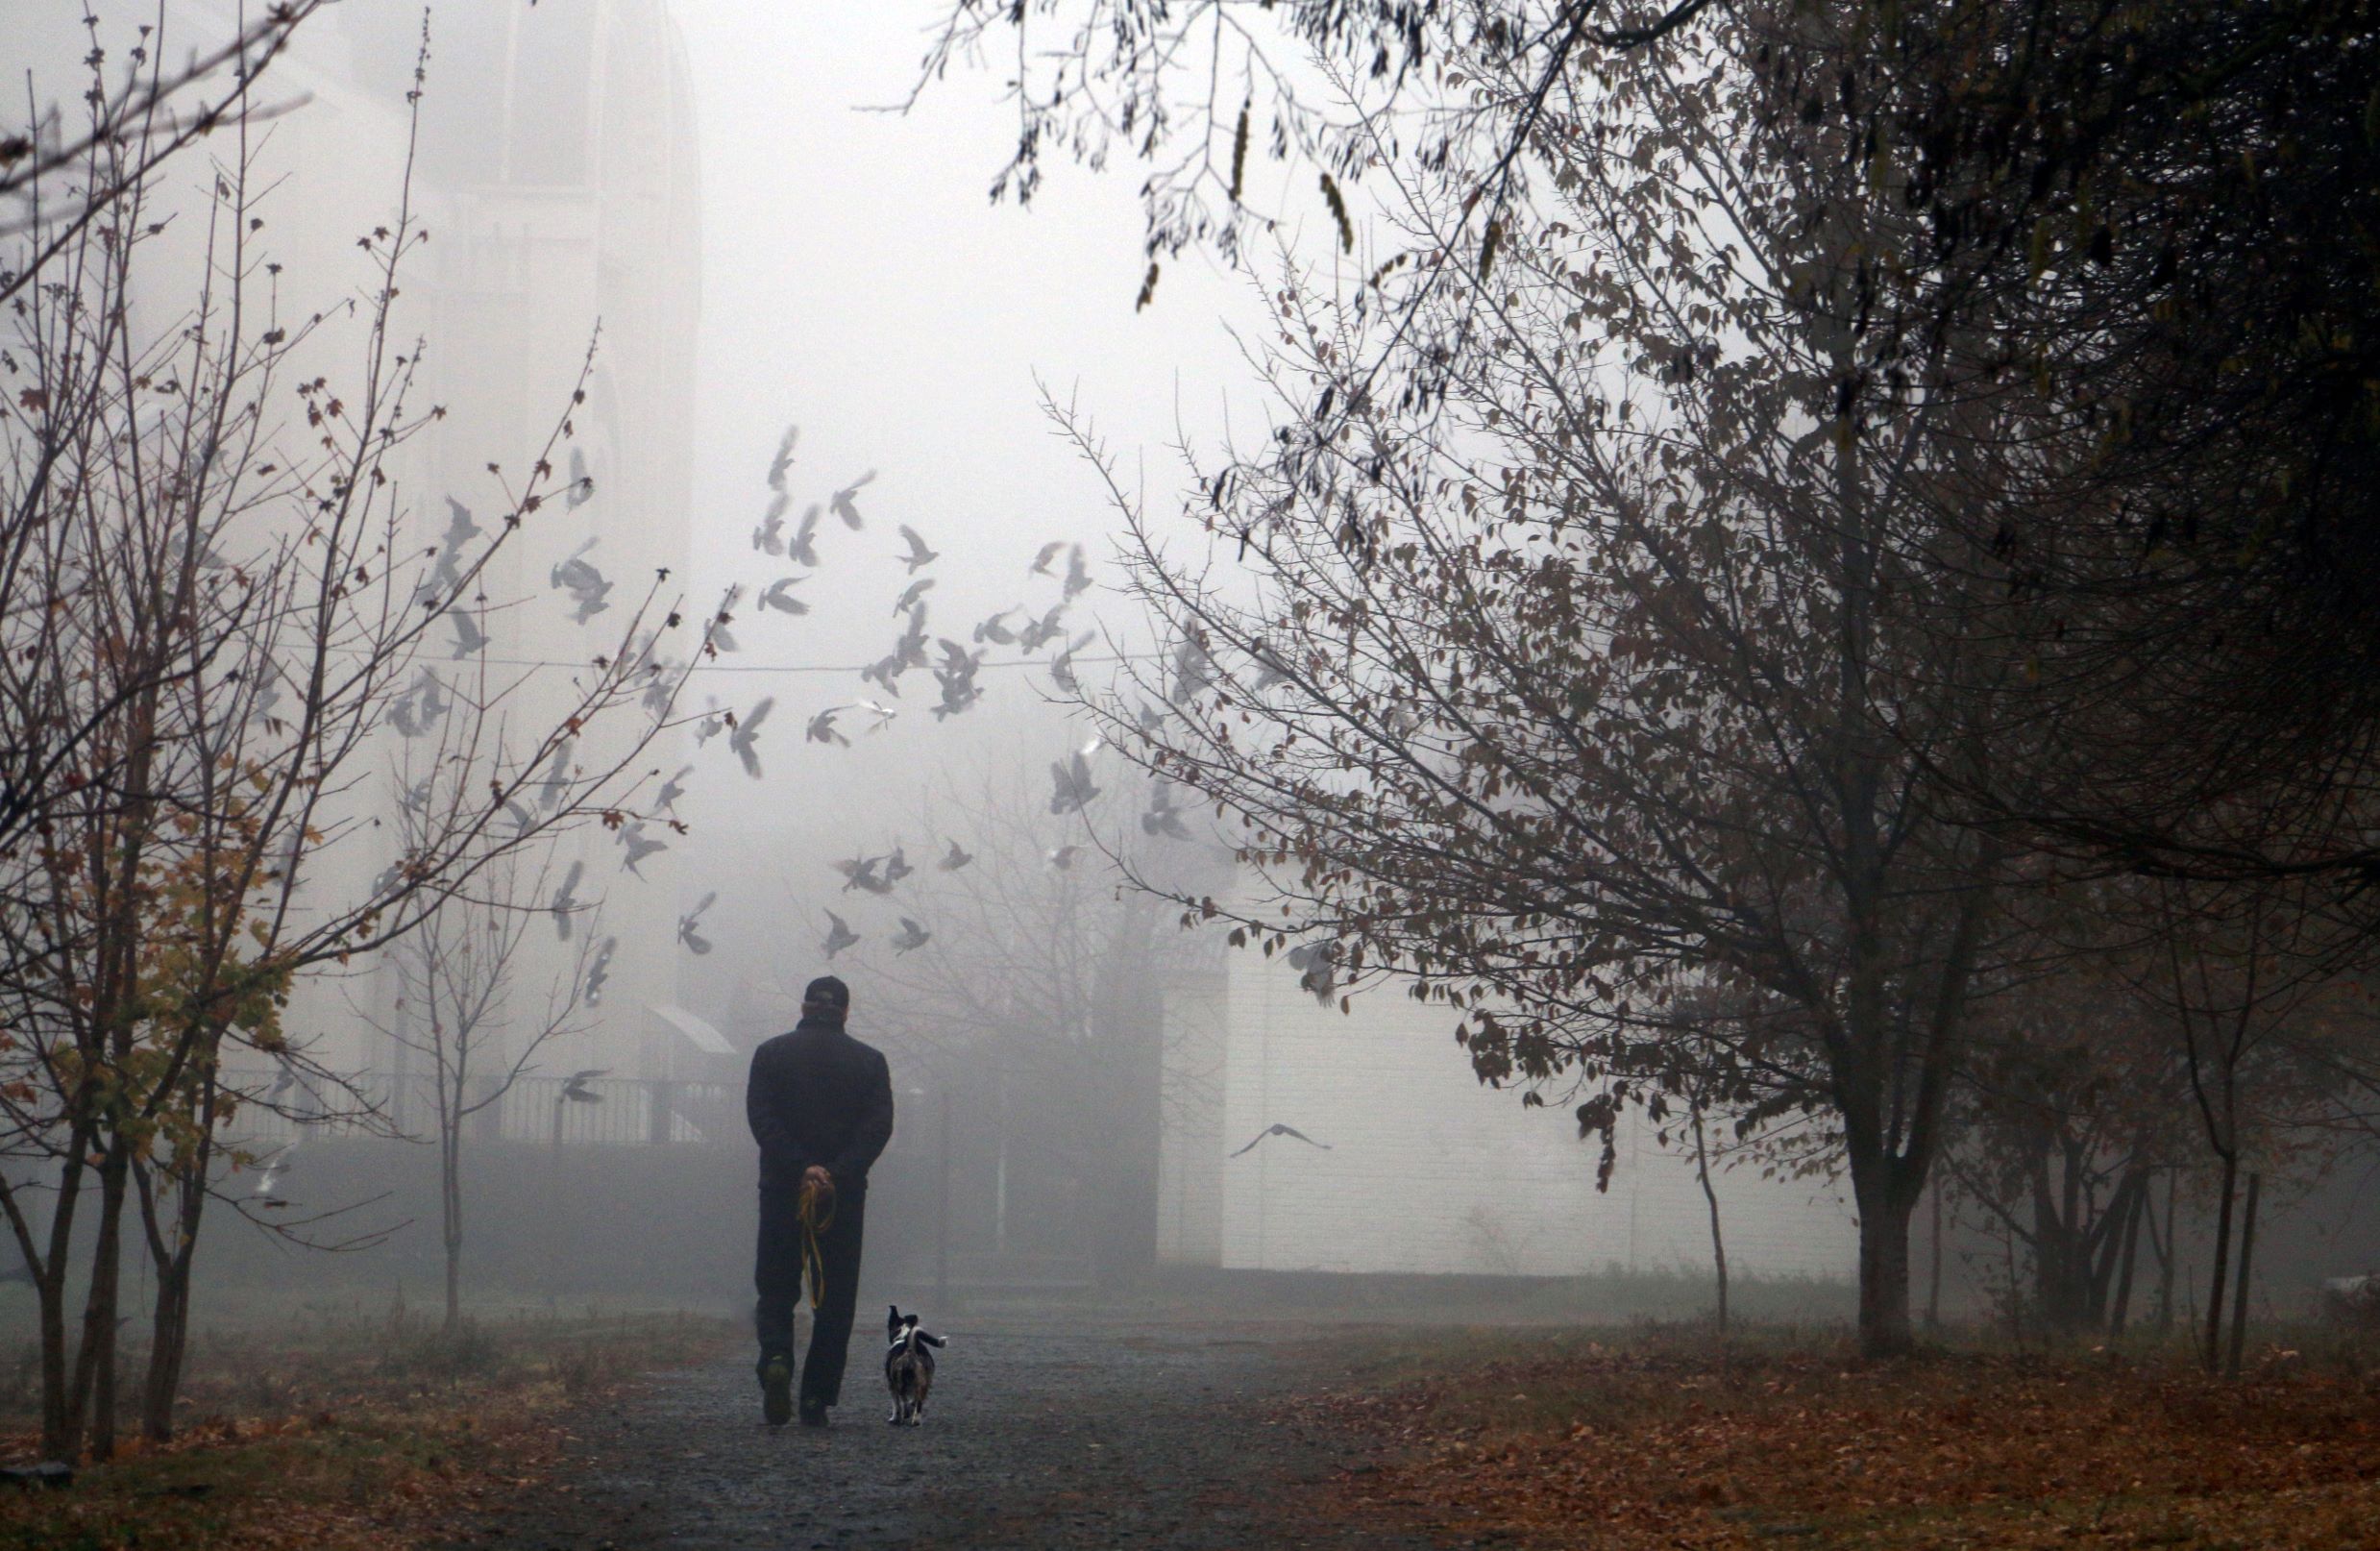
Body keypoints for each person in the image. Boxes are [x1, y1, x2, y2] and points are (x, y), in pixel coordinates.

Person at [746, 973, 894, 1426]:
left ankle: (777, 1358)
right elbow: (877, 1128)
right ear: (845, 1012)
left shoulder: (770, 1055)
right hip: (841, 1199)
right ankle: (815, 1399)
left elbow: (762, 1120)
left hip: (781, 1191)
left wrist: (800, 1166)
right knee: (835, 1299)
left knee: (776, 1288)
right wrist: (837, 1172)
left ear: (806, 1007)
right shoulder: (870, 1062)